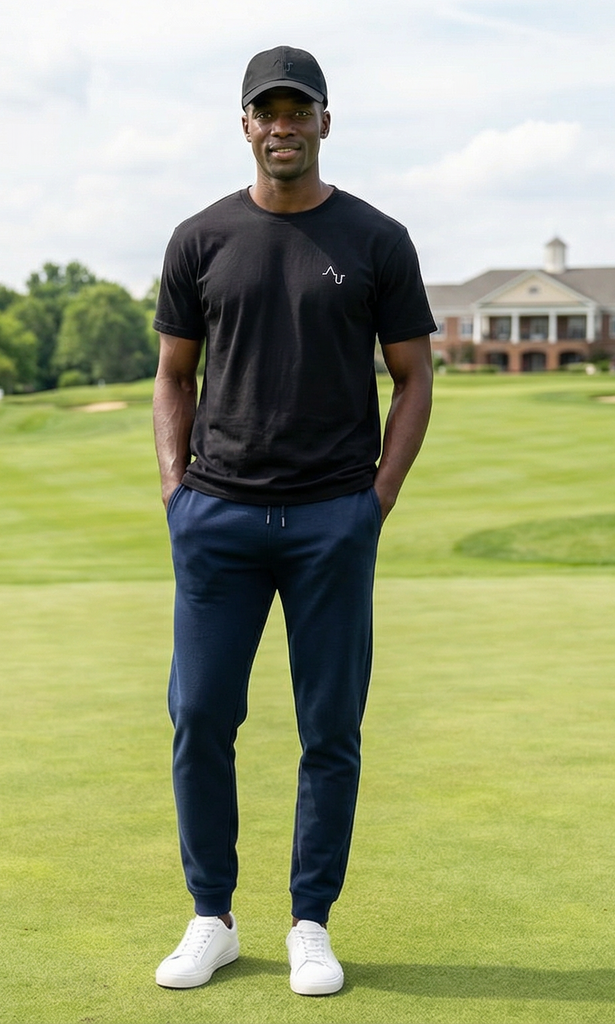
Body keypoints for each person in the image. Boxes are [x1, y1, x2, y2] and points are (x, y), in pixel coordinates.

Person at [151, 45, 435, 996]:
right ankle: (212, 918)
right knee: (199, 716)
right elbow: (172, 376)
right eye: (265, 112)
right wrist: (174, 494)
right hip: (218, 515)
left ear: (323, 120)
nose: (282, 126)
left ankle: (310, 922)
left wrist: (375, 503)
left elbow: (414, 378)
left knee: (330, 728)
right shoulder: (200, 238)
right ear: (245, 125)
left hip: (330, 519)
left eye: (297, 110)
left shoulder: (377, 239)